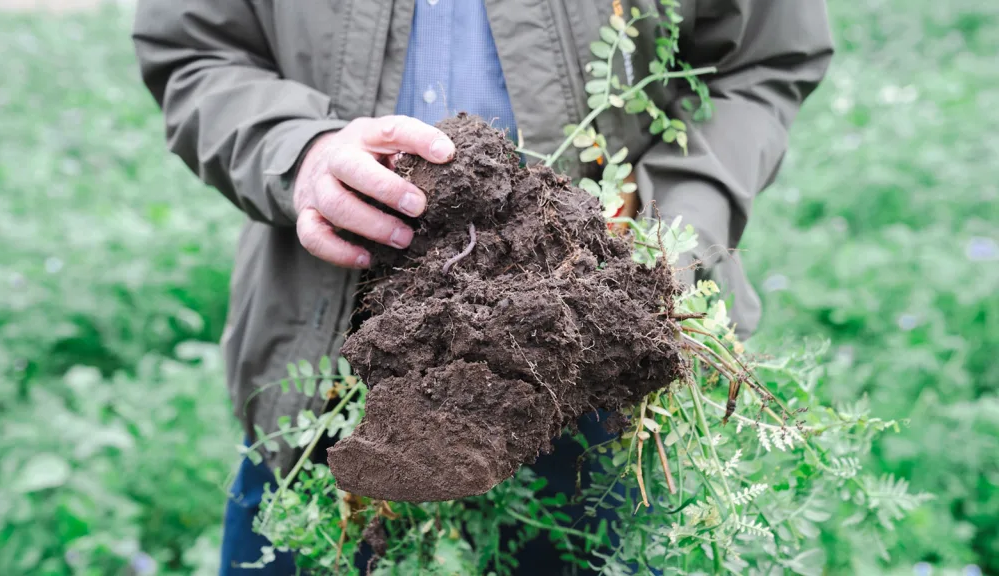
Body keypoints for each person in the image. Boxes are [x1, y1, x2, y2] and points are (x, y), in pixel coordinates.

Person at [132, 0, 833, 573]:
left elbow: (764, 58)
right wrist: (300, 150)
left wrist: (667, 241)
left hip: (598, 381)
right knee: (314, 541)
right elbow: (196, 49)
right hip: (324, 381)